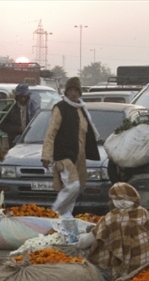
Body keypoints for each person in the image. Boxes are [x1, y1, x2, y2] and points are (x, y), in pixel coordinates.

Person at [41, 76, 99, 218]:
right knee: (73, 185)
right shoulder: (60, 108)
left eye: (76, 90)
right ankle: (53, 214)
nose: (73, 93)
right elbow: (51, 132)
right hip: (64, 155)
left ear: (80, 92)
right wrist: (46, 155)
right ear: (66, 92)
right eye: (70, 90)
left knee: (74, 190)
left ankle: (65, 219)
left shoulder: (82, 109)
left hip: (79, 156)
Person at [76, 182, 149, 280]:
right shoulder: (146, 213)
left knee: (84, 252)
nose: (108, 203)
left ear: (119, 202)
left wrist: (80, 238)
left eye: (111, 200)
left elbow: (83, 243)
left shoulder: (112, 218)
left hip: (126, 271)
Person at [0, 83, 41, 147]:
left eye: (25, 97)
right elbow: (2, 125)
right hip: (14, 141)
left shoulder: (33, 108)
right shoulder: (9, 109)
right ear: (17, 97)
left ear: (28, 96)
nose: (23, 99)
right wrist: (17, 129)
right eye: (20, 97)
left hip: (30, 140)